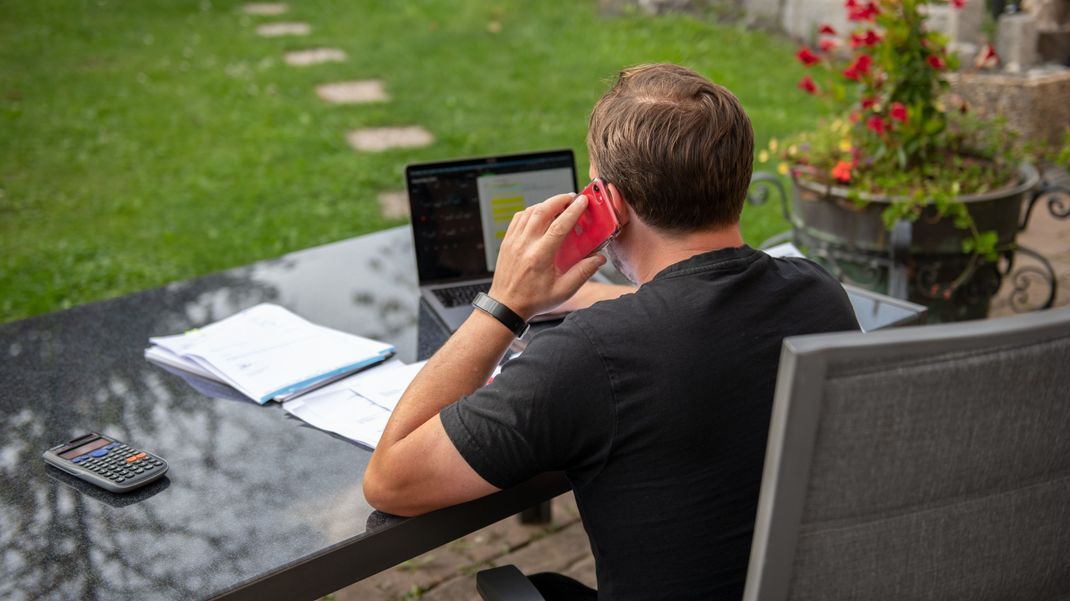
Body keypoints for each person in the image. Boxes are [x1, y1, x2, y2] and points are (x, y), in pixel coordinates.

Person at [364, 63, 860, 600]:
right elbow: (700, 309)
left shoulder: (592, 355)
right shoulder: (818, 294)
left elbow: (392, 482)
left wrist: (505, 304)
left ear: (610, 204)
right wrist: (589, 296)